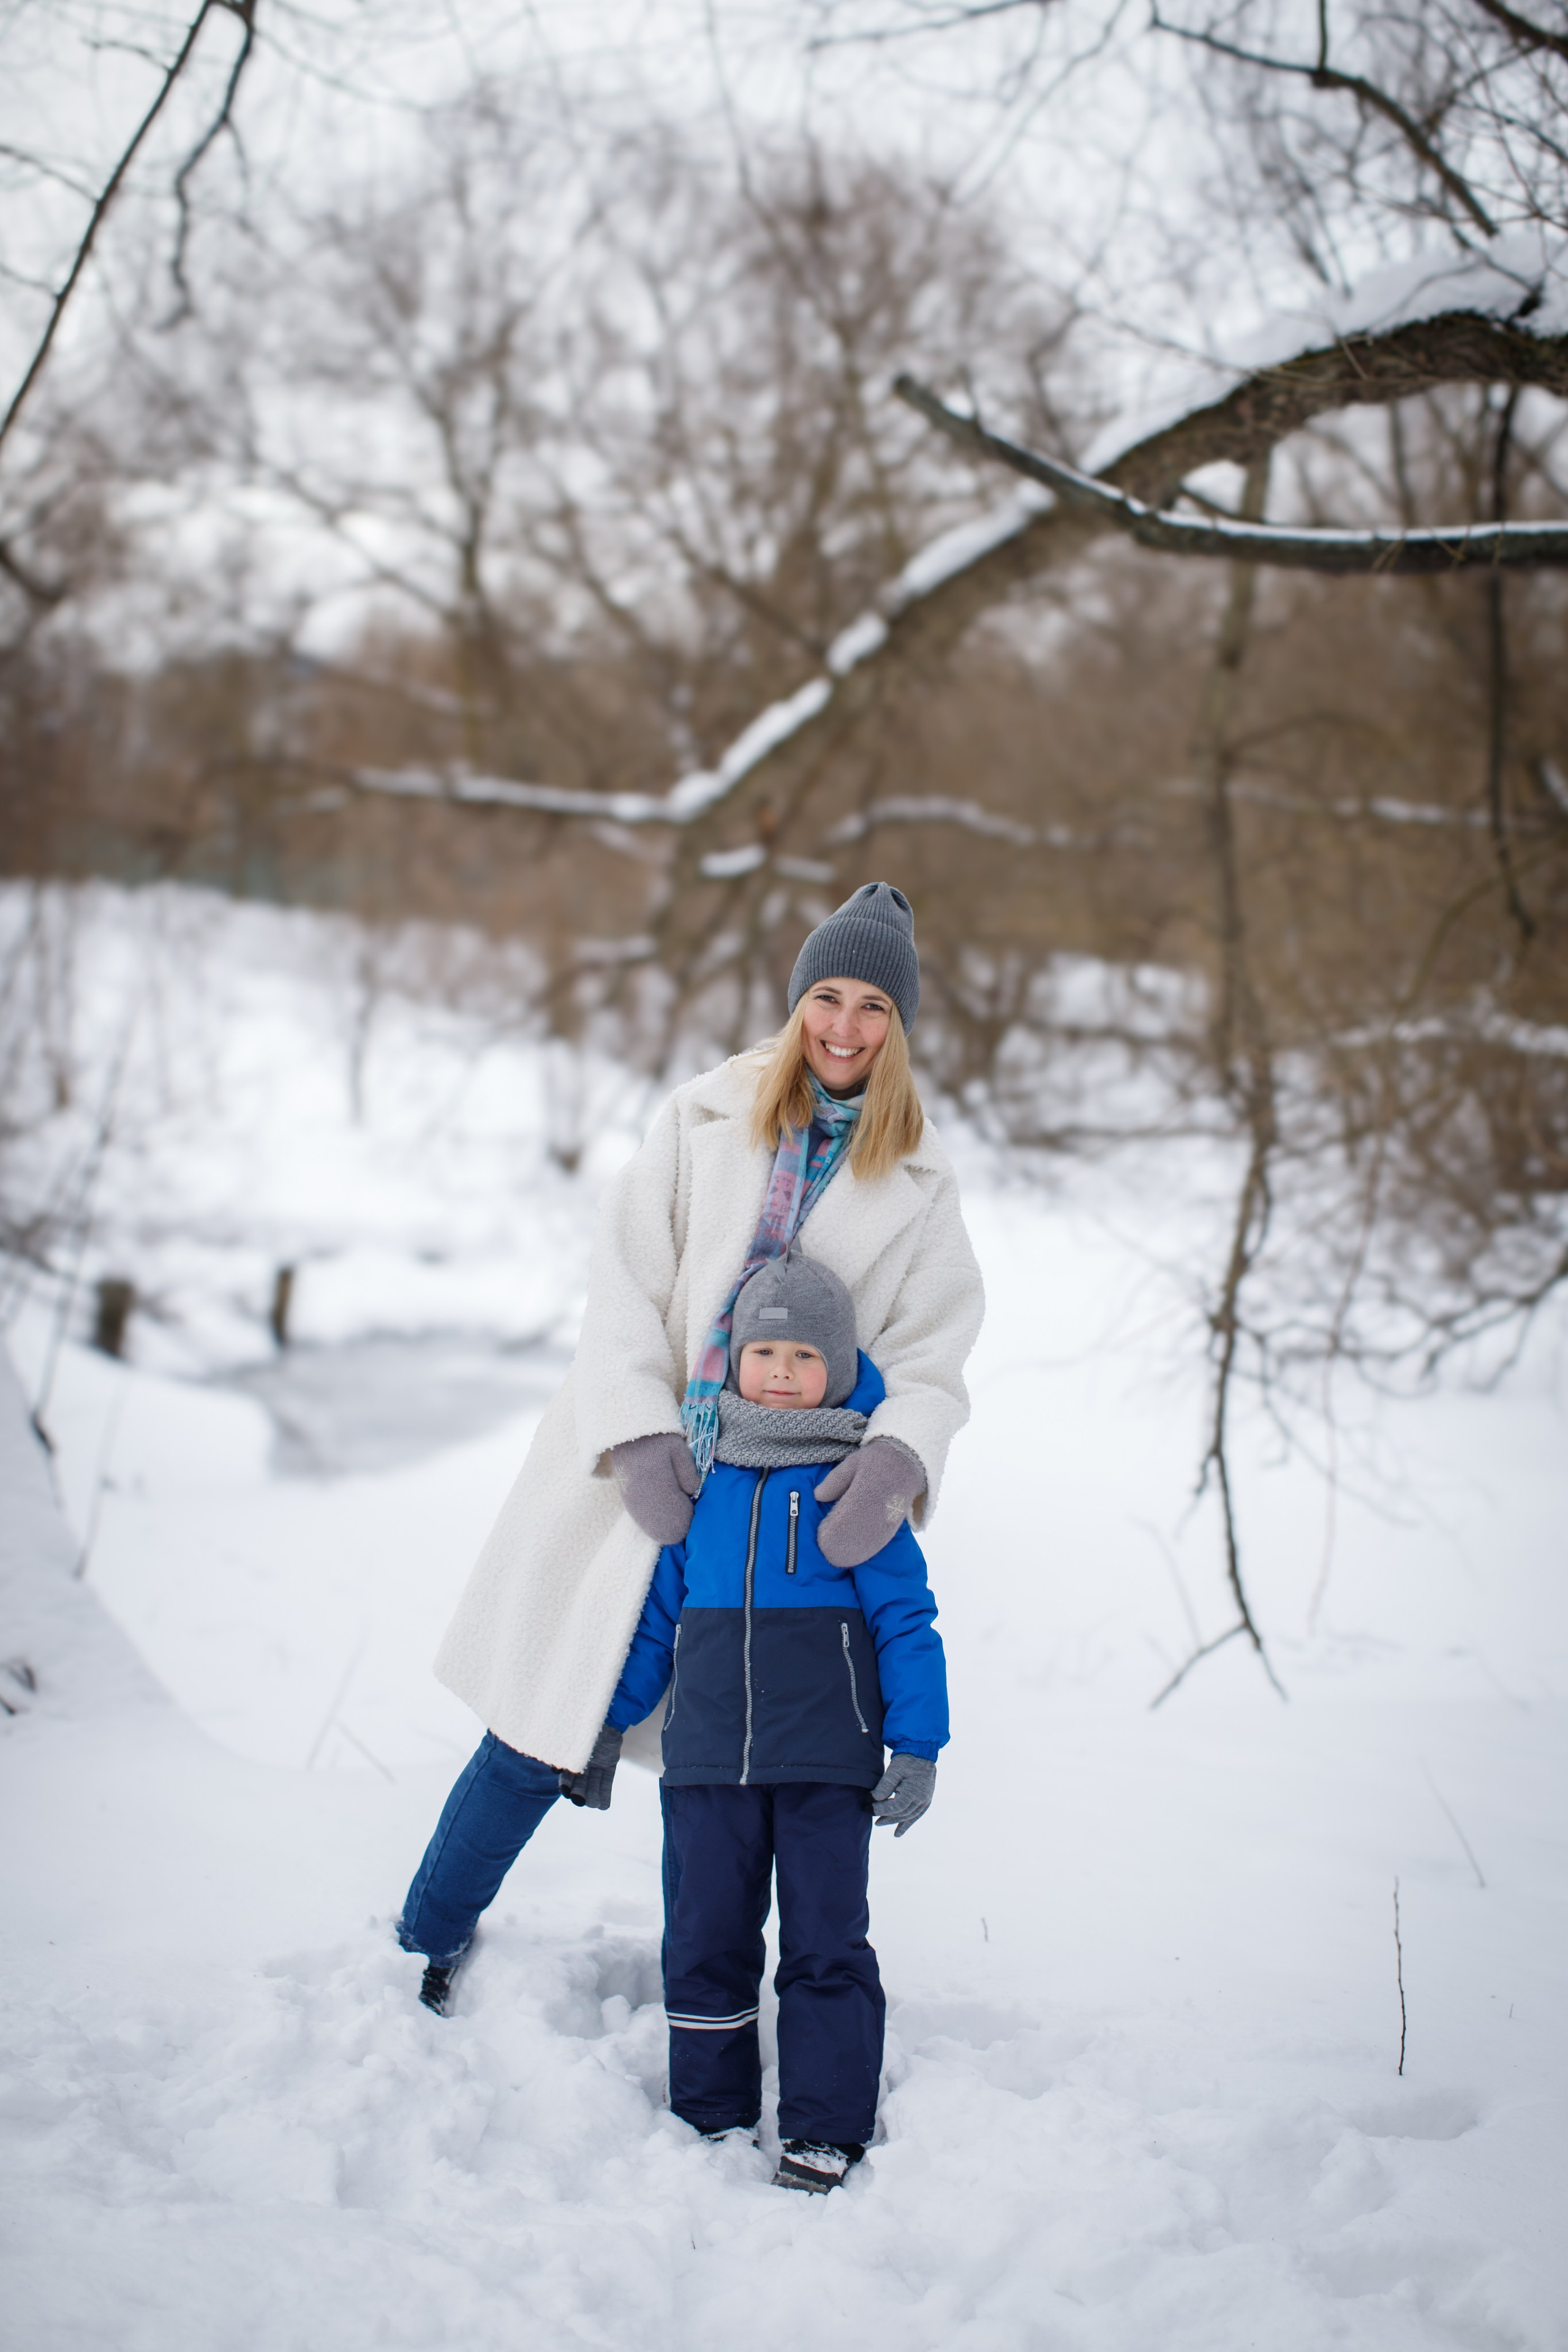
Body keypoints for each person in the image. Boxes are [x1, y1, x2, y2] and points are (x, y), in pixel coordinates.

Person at [397, 882, 984, 2029]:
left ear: (900, 1026)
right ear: (797, 999)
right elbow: (625, 1285)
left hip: (782, 1505)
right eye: (828, 996)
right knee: (543, 1719)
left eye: (874, 1006)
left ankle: (723, 2009)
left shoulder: (919, 1179)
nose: (847, 1027)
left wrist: (896, 1459)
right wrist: (638, 1434)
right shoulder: (703, 1118)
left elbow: (935, 1351)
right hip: (643, 1473)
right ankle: (425, 1933)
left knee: (744, 1777)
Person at [602, 1247, 947, 2193]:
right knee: (705, 1937)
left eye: (804, 1357)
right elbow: (655, 1623)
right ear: (736, 1363)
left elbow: (907, 1623)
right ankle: (709, 2117)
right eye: (766, 1355)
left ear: (835, 1368)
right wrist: (608, 1725)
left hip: (827, 1766)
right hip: (708, 1762)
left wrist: (917, 1744)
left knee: (826, 1943)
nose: (783, 1372)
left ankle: (824, 2129)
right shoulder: (703, 1483)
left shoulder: (857, 1486)